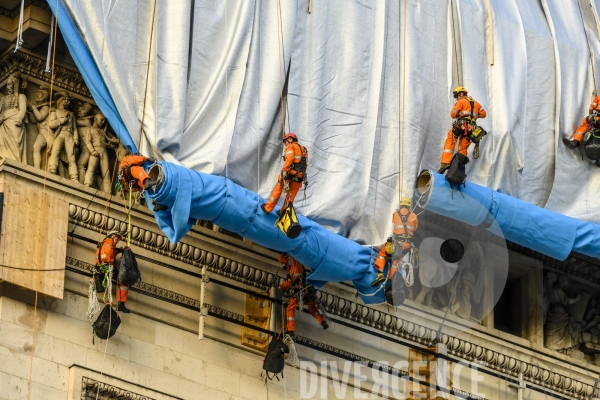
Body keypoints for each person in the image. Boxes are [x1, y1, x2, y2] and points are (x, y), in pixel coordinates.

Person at [371, 196, 418, 287]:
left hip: (396, 243)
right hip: (407, 245)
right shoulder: (414, 216)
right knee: (395, 262)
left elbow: (392, 228)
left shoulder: (395, 214)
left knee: (382, 254)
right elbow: (415, 228)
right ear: (409, 206)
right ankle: (392, 282)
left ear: (401, 205)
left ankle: (380, 274)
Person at [439, 86, 487, 173]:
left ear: (460, 94)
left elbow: (453, 115)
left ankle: (445, 163)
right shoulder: (476, 103)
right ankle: (458, 167)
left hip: (461, 126)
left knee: (451, 139)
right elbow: (484, 114)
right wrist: (473, 116)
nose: (456, 98)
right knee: (463, 147)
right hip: (471, 129)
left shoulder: (461, 101)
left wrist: (461, 114)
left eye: (456, 96)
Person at [278, 253, 328, 333]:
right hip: (308, 290)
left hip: (299, 290)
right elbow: (289, 282)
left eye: (285, 266)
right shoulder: (293, 271)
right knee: (312, 309)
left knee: (290, 308)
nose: (286, 267)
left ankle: (290, 330)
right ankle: (322, 322)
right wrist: (280, 287)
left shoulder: (294, 262)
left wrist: (284, 251)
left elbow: (281, 259)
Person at [262, 133, 308, 214]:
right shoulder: (304, 150)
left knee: (278, 189)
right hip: (300, 177)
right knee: (291, 196)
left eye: (285, 142)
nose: (285, 144)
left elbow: (289, 159)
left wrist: (285, 171)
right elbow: (305, 164)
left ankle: (267, 208)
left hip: (290, 173)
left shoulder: (291, 146)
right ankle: (283, 212)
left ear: (290, 139)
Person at [48, 91, 79, 182]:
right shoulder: (55, 111)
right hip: (60, 134)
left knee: (71, 157)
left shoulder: (71, 115)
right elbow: (51, 124)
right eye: (63, 101)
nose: (65, 103)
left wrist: (76, 138)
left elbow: (75, 128)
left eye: (67, 101)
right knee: (55, 152)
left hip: (69, 135)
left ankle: (74, 177)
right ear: (60, 102)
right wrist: (62, 121)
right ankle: (52, 169)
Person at [95, 231, 129, 313]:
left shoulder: (103, 243)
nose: (117, 241)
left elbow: (105, 254)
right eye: (117, 238)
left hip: (99, 266)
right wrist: (113, 265)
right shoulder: (110, 244)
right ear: (113, 236)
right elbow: (109, 256)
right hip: (107, 267)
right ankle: (121, 304)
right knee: (123, 280)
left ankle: (98, 278)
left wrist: (117, 251)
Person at [83, 112, 118, 193]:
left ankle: (108, 191)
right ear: (95, 119)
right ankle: (87, 183)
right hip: (95, 150)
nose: (103, 122)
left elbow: (113, 139)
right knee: (91, 168)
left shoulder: (103, 131)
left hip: (104, 151)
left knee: (106, 172)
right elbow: (88, 142)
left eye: (104, 121)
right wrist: (92, 151)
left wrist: (109, 143)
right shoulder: (90, 129)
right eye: (101, 120)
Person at [0, 73, 27, 162]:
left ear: (15, 84)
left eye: (9, 84)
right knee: (2, 143)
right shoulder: (3, 99)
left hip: (14, 121)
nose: (7, 87)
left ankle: (14, 162)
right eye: (7, 84)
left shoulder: (21, 96)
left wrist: (19, 118)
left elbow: (23, 109)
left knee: (15, 142)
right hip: (4, 122)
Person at [28, 85, 52, 169]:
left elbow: (40, 117)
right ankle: (36, 168)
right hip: (41, 132)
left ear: (44, 97)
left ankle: (51, 169)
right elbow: (34, 121)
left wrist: (34, 109)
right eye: (36, 94)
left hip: (47, 132)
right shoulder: (40, 107)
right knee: (36, 147)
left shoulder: (46, 107)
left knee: (51, 150)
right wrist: (30, 112)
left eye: (39, 94)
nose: (36, 96)